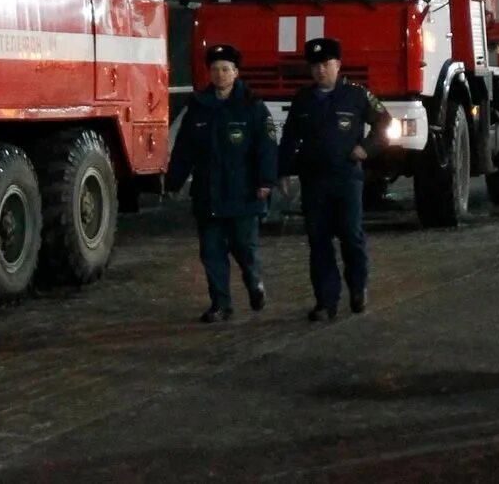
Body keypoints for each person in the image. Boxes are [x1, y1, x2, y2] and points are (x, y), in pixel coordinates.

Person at [165, 43, 278, 321]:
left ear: (236, 72)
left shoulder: (253, 107)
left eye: (225, 69)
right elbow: (184, 150)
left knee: (243, 248)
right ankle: (220, 304)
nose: (220, 74)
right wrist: (173, 182)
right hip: (208, 194)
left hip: (243, 193)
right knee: (212, 252)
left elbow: (266, 147)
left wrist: (265, 180)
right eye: (215, 69)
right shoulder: (199, 107)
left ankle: (254, 284)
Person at [277, 37, 386, 321]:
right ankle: (326, 301)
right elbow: (290, 138)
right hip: (314, 182)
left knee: (351, 236)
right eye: (315, 65)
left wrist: (367, 148)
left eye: (325, 64)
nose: (320, 70)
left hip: (346, 179)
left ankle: (358, 288)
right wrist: (283, 170)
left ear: (338, 64)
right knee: (319, 241)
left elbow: (384, 123)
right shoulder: (303, 100)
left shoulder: (356, 95)